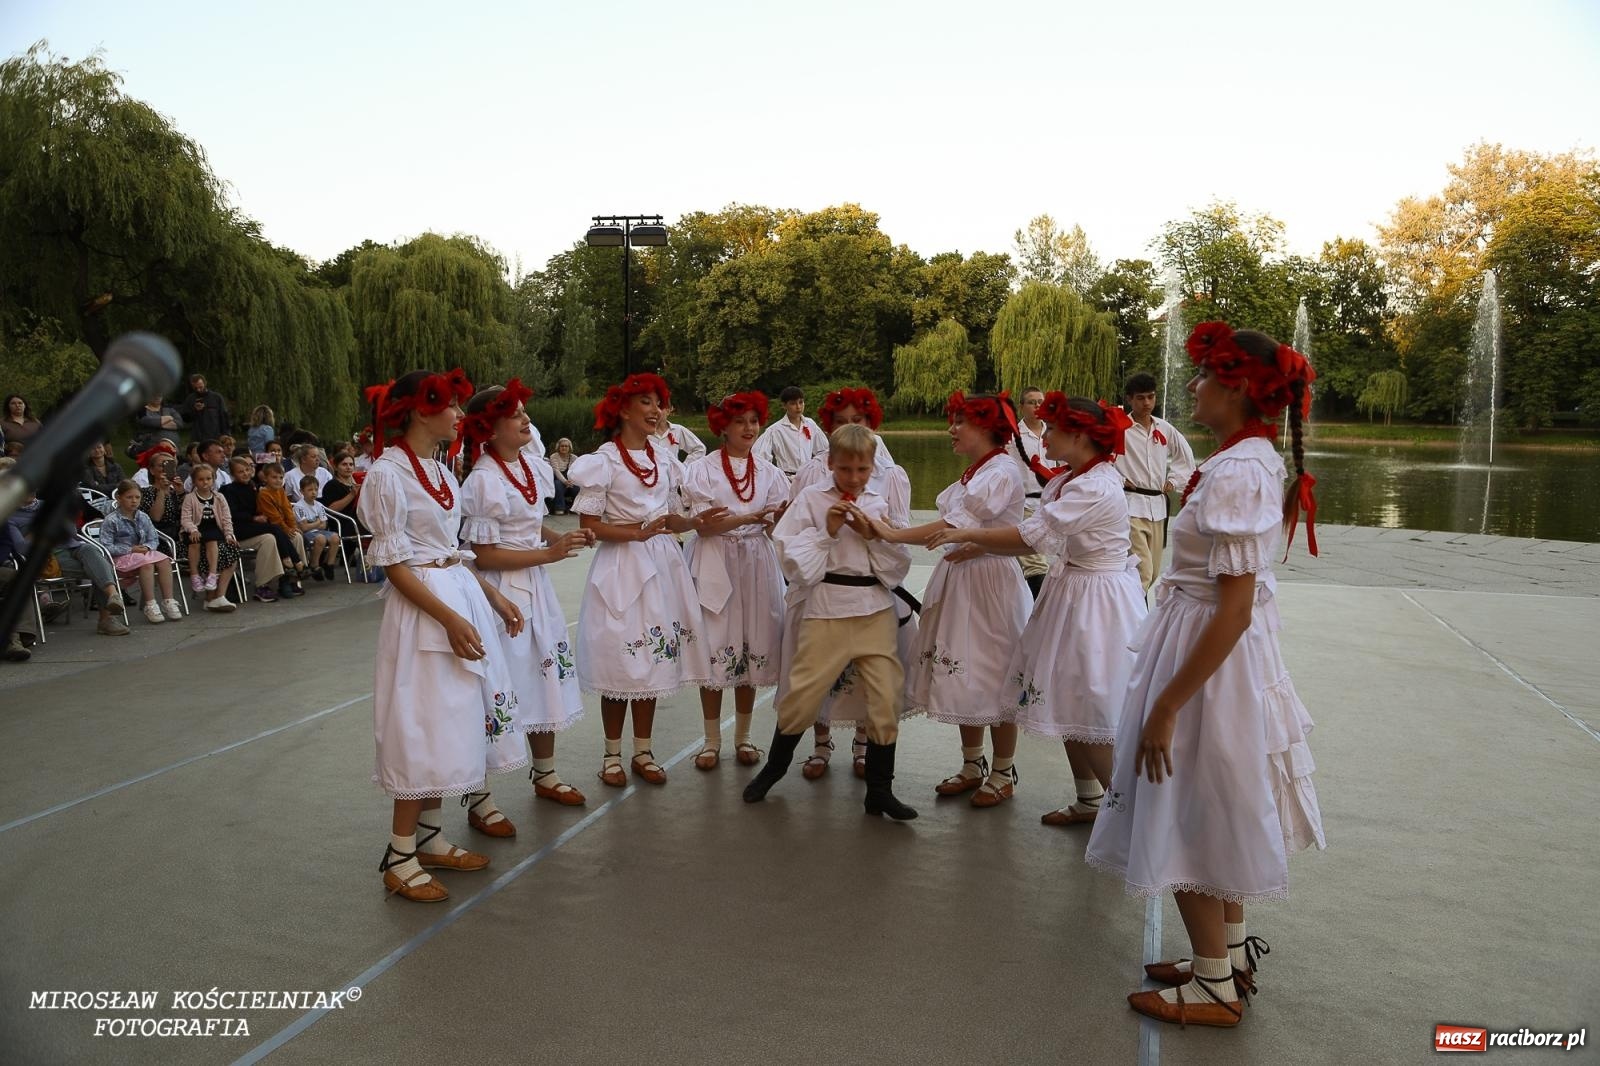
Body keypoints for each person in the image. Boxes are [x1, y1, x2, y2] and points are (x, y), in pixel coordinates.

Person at [1086, 322, 1325, 1028]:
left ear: (1239, 388)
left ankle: (1214, 984)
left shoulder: (1240, 469)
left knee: (1189, 801)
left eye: (1203, 376)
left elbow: (1236, 607)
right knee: (1214, 795)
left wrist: (1168, 704)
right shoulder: (1239, 462)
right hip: (1203, 646)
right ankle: (1225, 955)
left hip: (1207, 660)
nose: (1189, 387)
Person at [929, 395, 1146, 826]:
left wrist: (972, 536)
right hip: (1073, 591)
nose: (1042, 434)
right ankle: (1090, 799)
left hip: (1096, 600)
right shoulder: (1072, 478)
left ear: (1079, 435)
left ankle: (1130, 821)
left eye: (1052, 428)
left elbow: (1034, 537)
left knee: (1091, 707)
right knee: (1066, 700)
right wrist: (977, 543)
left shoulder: (1095, 486)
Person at [360, 368, 529, 902]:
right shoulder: (387, 475)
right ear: (418, 410)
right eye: (451, 406)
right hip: (424, 613)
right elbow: (396, 565)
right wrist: (449, 618)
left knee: (452, 724)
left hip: (453, 594)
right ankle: (400, 855)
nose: (461, 415)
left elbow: (447, 549)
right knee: (422, 727)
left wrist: (489, 595)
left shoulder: (438, 469)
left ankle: (429, 842)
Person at [742, 424, 916, 818]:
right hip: (827, 609)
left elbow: (898, 564)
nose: (854, 478)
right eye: (845, 470)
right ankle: (774, 768)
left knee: (886, 697)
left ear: (873, 467)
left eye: (862, 470)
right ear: (830, 463)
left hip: (874, 609)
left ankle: (879, 790)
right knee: (803, 694)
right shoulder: (811, 499)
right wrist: (828, 532)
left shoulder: (877, 501)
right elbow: (792, 561)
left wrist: (874, 535)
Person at [870, 392, 1031, 807]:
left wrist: (890, 534)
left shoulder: (1001, 471)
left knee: (996, 671)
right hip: (964, 578)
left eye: (960, 422)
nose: (951, 429)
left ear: (986, 427)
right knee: (964, 671)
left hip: (990, 584)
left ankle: (1003, 769)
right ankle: (973, 764)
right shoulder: (977, 472)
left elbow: (950, 526)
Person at [569, 373, 724, 789]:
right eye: (646, 403)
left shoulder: (663, 457)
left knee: (652, 659)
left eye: (659, 403)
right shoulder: (604, 460)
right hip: (622, 566)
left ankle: (643, 750)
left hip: (661, 565)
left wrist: (690, 522)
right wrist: (636, 533)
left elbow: (669, 515)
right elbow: (590, 526)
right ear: (622, 410)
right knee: (620, 662)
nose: (656, 411)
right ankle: (611, 756)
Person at [459, 380, 596, 810]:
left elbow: (526, 521)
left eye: (523, 412)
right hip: (500, 593)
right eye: (516, 414)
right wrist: (549, 554)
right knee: (498, 685)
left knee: (543, 674)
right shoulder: (482, 480)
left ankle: (546, 772)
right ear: (490, 428)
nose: (526, 419)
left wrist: (559, 536)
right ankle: (480, 796)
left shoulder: (529, 467)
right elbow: (484, 554)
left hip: (534, 584)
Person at [787, 386, 915, 781]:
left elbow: (901, 532)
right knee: (816, 675)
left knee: (869, 677)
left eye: (856, 422)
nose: (848, 429)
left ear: (870, 424)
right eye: (840, 422)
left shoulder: (892, 476)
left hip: (871, 590)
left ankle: (864, 745)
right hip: (822, 589)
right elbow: (795, 528)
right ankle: (821, 744)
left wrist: (876, 533)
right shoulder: (812, 474)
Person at [684, 392, 787, 771]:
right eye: (740, 421)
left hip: (756, 562)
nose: (749, 428)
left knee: (750, 647)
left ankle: (743, 737)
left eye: (754, 421)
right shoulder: (703, 470)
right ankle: (711, 741)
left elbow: (776, 524)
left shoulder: (770, 472)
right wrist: (747, 519)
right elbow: (703, 524)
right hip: (716, 559)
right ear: (722, 427)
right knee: (716, 645)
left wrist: (779, 519)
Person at [1120, 372, 1196, 590]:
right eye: (1141, 398)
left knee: (1153, 573)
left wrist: (1173, 479)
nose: (1147, 403)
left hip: (1158, 507)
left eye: (1151, 397)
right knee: (1141, 571)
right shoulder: (1120, 429)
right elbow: (1103, 459)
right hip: (1131, 505)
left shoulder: (1164, 428)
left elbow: (1185, 457)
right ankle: (1134, 621)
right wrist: (1119, 478)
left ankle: (1129, 613)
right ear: (1129, 399)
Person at [99, 480, 183, 625]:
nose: (134, 501)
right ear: (119, 498)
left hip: (143, 553)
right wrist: (130, 549)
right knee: (147, 565)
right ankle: (150, 604)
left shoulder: (142, 516)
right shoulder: (111, 520)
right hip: (122, 556)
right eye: (129, 497)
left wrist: (148, 547)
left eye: (137, 498)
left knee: (164, 560)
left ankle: (168, 600)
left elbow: (153, 538)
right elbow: (106, 546)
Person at [220, 455, 294, 603]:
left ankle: (288, 578)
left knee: (285, 535)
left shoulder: (253, 486)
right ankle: (263, 584)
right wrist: (253, 518)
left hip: (255, 527)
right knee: (271, 535)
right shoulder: (227, 490)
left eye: (247, 470)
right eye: (241, 472)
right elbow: (231, 513)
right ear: (233, 475)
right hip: (239, 530)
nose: (246, 474)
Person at [1012, 386, 1052, 598]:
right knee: (1036, 564)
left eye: (1041, 401)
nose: (1038, 405)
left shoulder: (1054, 432)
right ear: (1021, 407)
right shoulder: (1013, 436)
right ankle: (1040, 610)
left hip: (1051, 506)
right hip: (1025, 505)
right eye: (1032, 402)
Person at [181, 463, 236, 593]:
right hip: (196, 528)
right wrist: (192, 529)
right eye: (200, 479)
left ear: (213, 479)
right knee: (195, 542)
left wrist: (229, 534)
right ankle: (194, 575)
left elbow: (226, 519)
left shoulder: (219, 497)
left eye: (208, 479)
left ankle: (212, 574)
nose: (205, 482)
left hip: (213, 528)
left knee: (212, 540)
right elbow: (186, 518)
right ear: (194, 481)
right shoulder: (190, 498)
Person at [752, 385, 827, 479]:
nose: (798, 407)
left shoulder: (810, 424)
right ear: (784, 405)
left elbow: (823, 451)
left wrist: (816, 469)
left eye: (801, 402)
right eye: (793, 403)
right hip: (787, 480)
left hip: (809, 479)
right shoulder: (775, 430)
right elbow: (758, 455)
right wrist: (773, 475)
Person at [255, 461, 309, 591]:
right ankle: (289, 569)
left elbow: (287, 510)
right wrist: (286, 529)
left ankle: (293, 579)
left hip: (283, 526)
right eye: (274, 477)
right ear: (265, 478)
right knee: (284, 536)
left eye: (281, 477)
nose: (278, 481)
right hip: (272, 527)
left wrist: (292, 526)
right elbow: (273, 517)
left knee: (296, 536)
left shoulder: (280, 491)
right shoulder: (264, 494)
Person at [293, 476, 342, 580]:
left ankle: (329, 564)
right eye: (310, 490)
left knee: (335, 537)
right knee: (320, 539)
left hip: (319, 531)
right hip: (306, 533)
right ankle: (314, 565)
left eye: (315, 489)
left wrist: (315, 523)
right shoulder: (299, 506)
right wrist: (318, 522)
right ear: (302, 491)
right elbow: (304, 527)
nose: (313, 492)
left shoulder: (319, 505)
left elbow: (324, 525)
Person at [181, 375, 230, 443]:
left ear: (205, 383)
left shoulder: (216, 397)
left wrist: (226, 434)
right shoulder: (190, 399)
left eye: (200, 387)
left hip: (215, 436)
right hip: (197, 437)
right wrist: (195, 410)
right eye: (195, 388)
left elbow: (224, 417)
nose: (198, 390)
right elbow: (185, 418)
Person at [545, 438, 579, 515]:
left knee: (577, 486)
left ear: (569, 447)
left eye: (566, 446)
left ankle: (576, 508)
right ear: (558, 447)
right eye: (562, 446)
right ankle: (559, 508)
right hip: (559, 479)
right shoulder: (554, 456)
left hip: (570, 480)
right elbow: (556, 470)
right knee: (557, 484)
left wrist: (570, 481)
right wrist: (565, 481)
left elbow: (575, 471)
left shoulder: (574, 457)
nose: (564, 448)